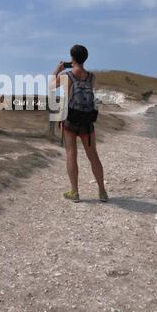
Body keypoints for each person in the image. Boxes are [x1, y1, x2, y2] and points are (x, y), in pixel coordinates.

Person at [51, 45, 108, 203]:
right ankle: (102, 192)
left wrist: (57, 70)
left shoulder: (67, 76)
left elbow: (50, 85)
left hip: (70, 120)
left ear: (72, 58)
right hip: (87, 121)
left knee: (71, 154)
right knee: (93, 156)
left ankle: (75, 192)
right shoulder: (92, 77)